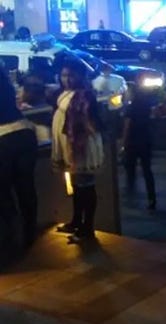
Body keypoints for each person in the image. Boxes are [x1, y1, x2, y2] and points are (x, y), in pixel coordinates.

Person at [52, 61, 104, 243]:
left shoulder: (85, 95)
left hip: (81, 147)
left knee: (85, 187)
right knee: (76, 185)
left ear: (80, 76)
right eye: (64, 75)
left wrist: (78, 146)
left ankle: (87, 228)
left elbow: (89, 123)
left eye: (71, 75)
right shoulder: (69, 93)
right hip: (70, 146)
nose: (66, 79)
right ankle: (76, 221)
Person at [0, 67, 38, 263]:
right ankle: (30, 236)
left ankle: (9, 240)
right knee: (26, 189)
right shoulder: (5, 83)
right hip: (25, 132)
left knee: (3, 193)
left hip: (3, 139)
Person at [122, 83, 156, 211]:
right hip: (146, 140)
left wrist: (123, 143)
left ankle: (131, 197)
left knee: (130, 170)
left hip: (133, 142)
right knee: (147, 170)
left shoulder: (130, 108)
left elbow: (127, 126)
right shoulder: (146, 105)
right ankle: (152, 198)